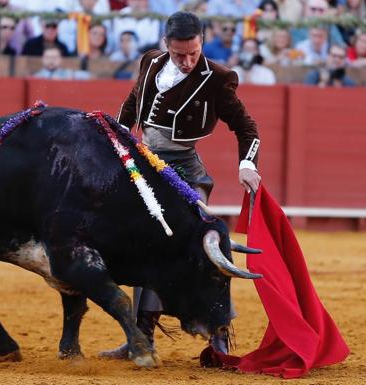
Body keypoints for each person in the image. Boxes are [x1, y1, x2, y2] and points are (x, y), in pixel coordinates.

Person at [99, 11, 261, 360]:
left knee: (206, 247)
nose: (187, 62)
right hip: (146, 169)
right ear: (165, 46)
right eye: (178, 55)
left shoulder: (218, 78)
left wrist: (247, 164)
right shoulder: (151, 61)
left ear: (201, 41)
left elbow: (247, 128)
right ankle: (141, 338)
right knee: (143, 246)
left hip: (186, 173)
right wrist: (121, 136)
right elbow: (132, 103)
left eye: (193, 53)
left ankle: (219, 335)